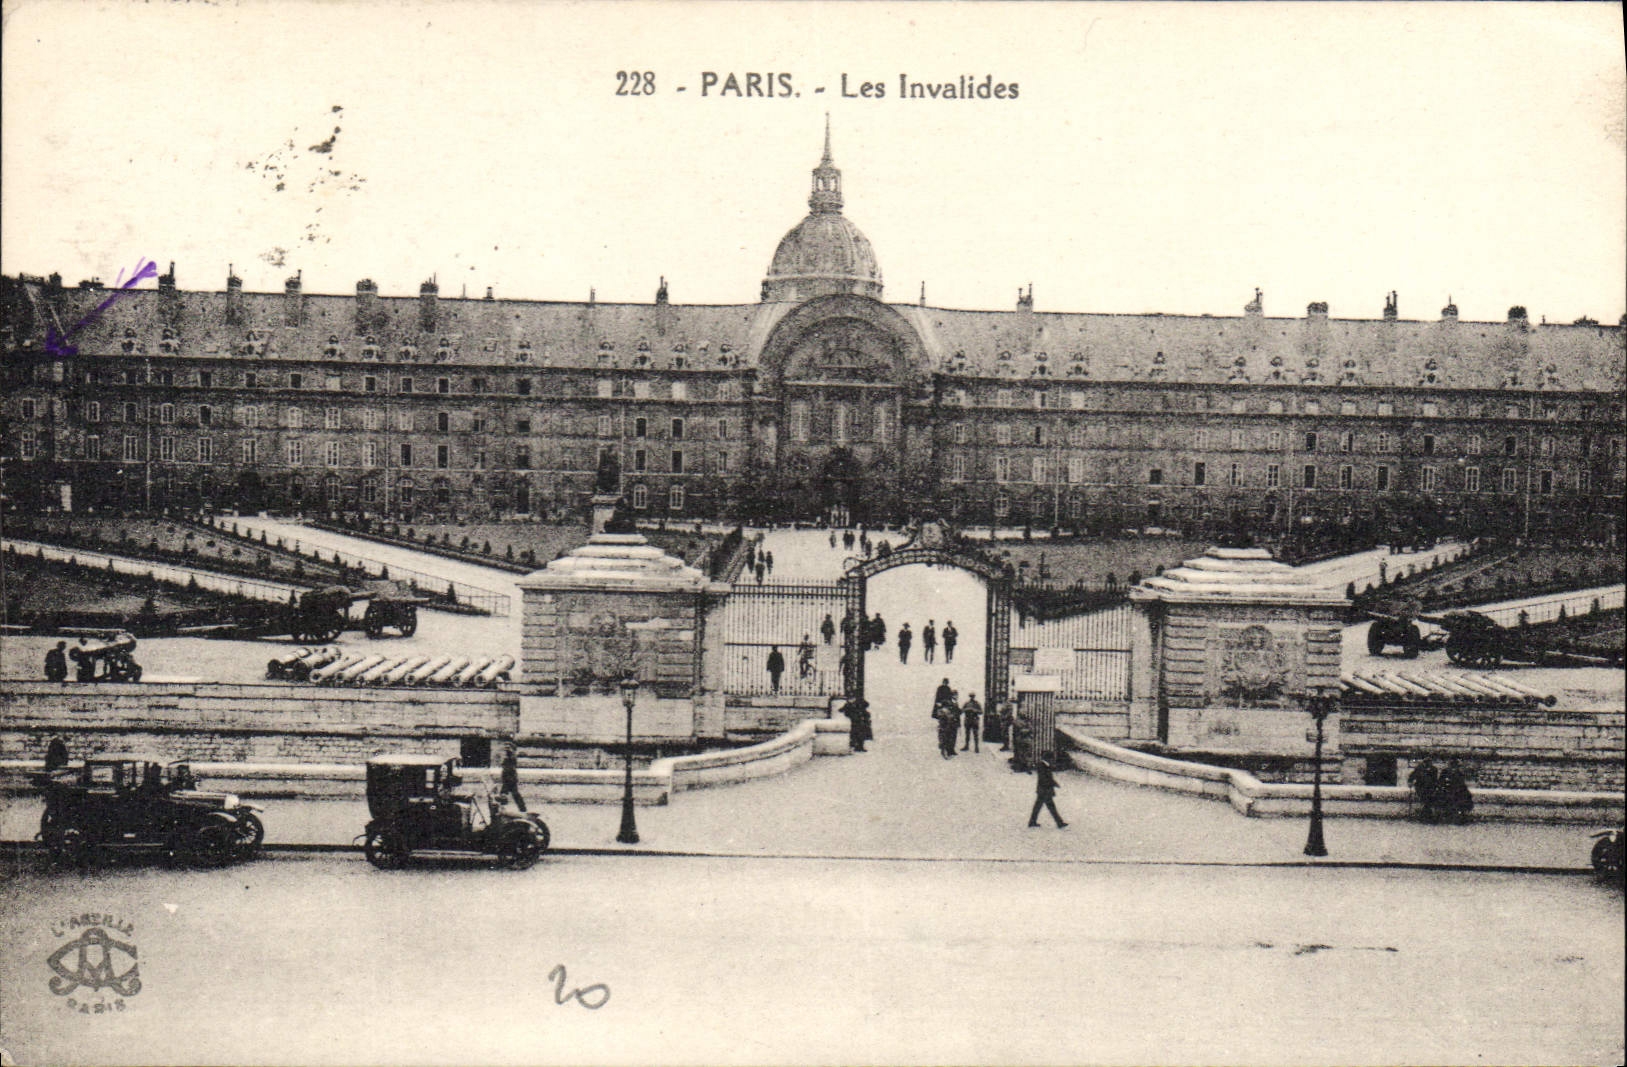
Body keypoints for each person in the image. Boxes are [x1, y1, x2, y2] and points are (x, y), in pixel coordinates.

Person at [1028, 759, 1068, 828]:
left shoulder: (1044, 765)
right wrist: (1052, 783)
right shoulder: (1043, 766)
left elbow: (1047, 778)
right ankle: (1059, 823)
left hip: (1043, 790)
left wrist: (1054, 783)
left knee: (1039, 806)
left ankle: (1032, 821)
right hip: (1045, 790)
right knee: (1050, 807)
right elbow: (1044, 779)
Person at [1439, 759, 1474, 823]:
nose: (1454, 767)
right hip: (1447, 789)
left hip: (1457, 790)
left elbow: (1461, 783)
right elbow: (1441, 781)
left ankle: (1461, 813)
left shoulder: (1459, 773)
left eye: (1456, 766)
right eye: (1453, 765)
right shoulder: (1445, 772)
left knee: (1464, 796)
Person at [1408, 757, 1440, 822]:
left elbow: (1435, 780)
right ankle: (1427, 814)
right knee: (1426, 797)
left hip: (1431, 788)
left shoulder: (1434, 769)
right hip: (1420, 787)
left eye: (1430, 762)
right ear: (1424, 763)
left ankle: (1425, 814)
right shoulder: (1419, 768)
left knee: (1430, 797)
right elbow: (1412, 776)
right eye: (1427, 762)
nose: (1429, 764)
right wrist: (1410, 782)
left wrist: (1436, 787)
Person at [500, 745, 527, 811]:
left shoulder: (510, 758)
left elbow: (508, 768)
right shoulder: (511, 757)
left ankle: (502, 809)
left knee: (506, 794)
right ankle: (522, 809)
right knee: (512, 794)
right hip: (510, 778)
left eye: (507, 748)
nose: (506, 750)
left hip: (509, 779)